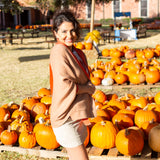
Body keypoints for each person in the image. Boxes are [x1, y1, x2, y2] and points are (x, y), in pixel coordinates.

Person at [49, 9, 96, 160]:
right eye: (64, 31)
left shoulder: (76, 52)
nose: (69, 35)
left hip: (75, 113)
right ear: (56, 33)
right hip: (65, 116)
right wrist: (88, 88)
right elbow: (64, 86)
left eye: (72, 31)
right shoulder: (59, 51)